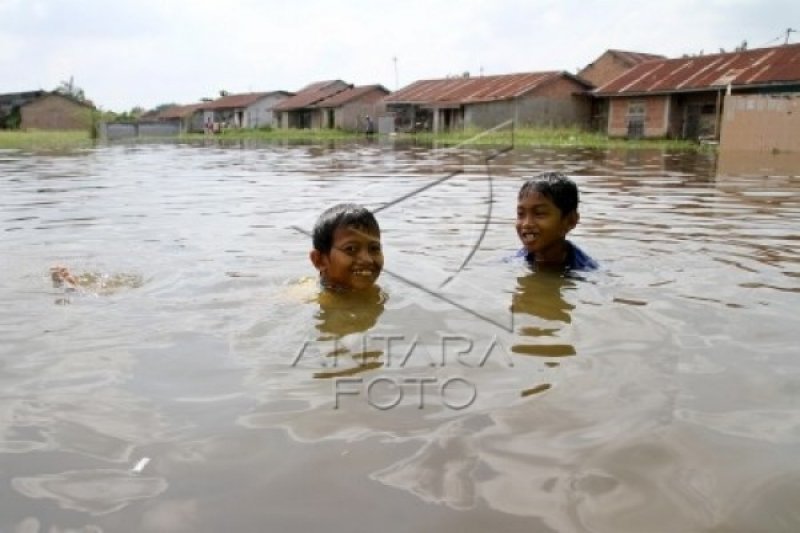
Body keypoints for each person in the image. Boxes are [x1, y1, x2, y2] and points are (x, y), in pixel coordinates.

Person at [514, 172, 597, 272]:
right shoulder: (514, 261)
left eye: (539, 213)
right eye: (521, 214)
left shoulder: (586, 271)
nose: (526, 223)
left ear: (570, 221)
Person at [310, 203, 384, 295]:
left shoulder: (379, 295)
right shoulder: (306, 300)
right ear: (319, 260)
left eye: (374, 248)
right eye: (351, 249)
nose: (367, 260)